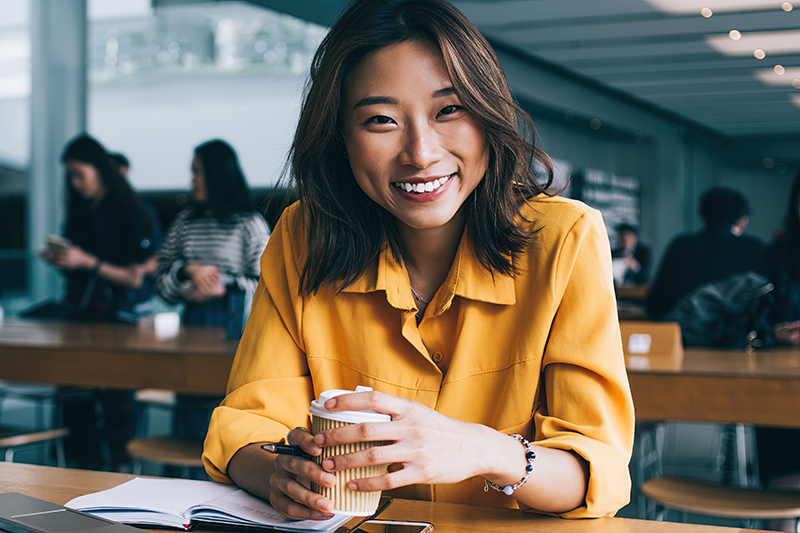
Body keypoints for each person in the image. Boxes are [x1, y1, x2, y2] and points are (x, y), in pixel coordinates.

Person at [203, 0, 633, 520]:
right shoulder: (302, 235)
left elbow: (596, 473)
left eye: (448, 110)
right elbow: (247, 424)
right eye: (381, 120)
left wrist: (482, 450)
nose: (421, 153)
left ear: (488, 114)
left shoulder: (565, 238)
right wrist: (279, 474)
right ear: (340, 138)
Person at [35, 134, 161, 323]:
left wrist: (86, 261)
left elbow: (133, 278)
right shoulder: (80, 212)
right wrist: (63, 259)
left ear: (99, 169)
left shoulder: (128, 212)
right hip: (81, 309)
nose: (75, 183)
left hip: (119, 315)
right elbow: (79, 274)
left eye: (80, 175)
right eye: (71, 177)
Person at [154, 139, 270, 328]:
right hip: (190, 324)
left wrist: (222, 287)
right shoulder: (183, 222)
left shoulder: (250, 224)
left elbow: (268, 285)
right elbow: (160, 285)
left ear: (217, 175)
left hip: (237, 322)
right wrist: (187, 271)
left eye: (197, 172)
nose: (192, 180)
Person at [754, 169, 800, 532]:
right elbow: (756, 317)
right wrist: (772, 332)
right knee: (781, 481)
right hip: (778, 376)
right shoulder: (778, 252)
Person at [645, 187, 766, 320]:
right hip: (737, 335)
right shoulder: (755, 248)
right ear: (741, 219)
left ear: (702, 215)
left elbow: (655, 303)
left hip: (683, 332)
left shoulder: (681, 245)